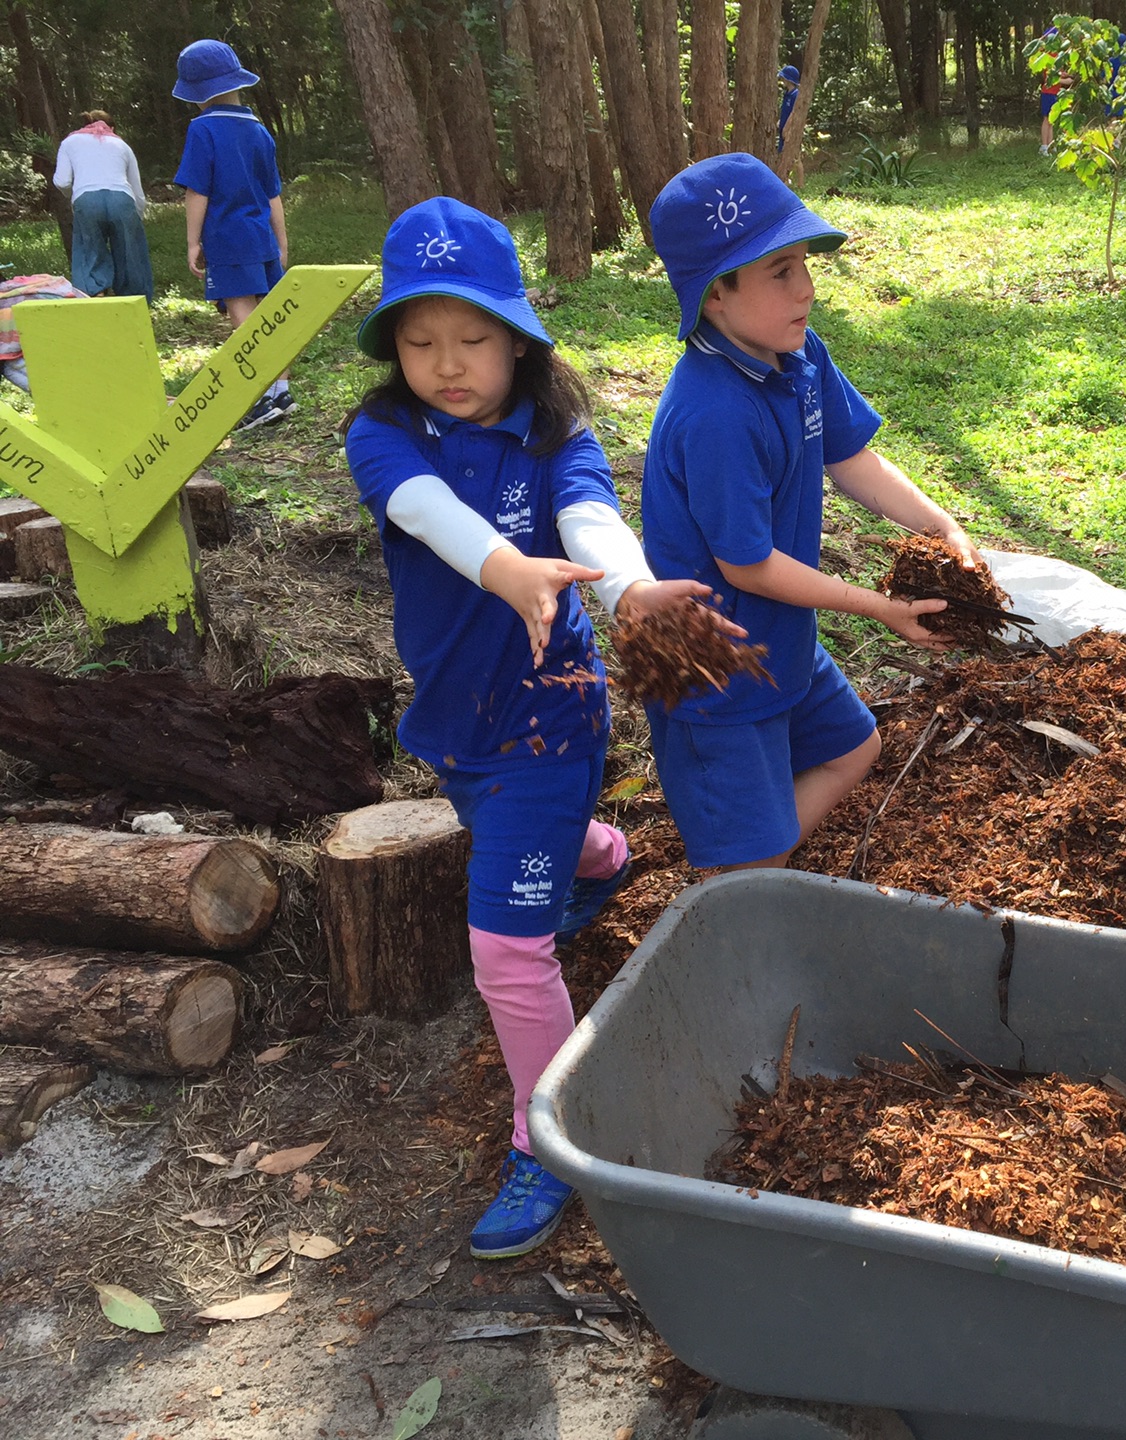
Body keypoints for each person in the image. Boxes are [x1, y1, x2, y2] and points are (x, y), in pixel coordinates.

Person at [345, 196, 727, 1259]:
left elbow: (593, 518)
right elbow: (426, 512)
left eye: (472, 338)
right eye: (420, 342)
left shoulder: (557, 436)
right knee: (539, 854)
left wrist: (634, 590)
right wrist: (506, 570)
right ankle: (597, 859)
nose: (448, 363)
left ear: (518, 338)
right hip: (455, 723)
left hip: (550, 723)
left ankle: (548, 1136)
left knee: (509, 949)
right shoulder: (382, 434)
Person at [640, 152, 979, 874]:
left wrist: (940, 526)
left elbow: (851, 458)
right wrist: (876, 606)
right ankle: (736, 888)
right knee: (747, 865)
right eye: (781, 272)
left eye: (804, 264)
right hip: (715, 667)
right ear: (714, 295)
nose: (809, 290)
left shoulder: (796, 356)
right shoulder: (713, 411)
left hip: (782, 641)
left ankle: (751, 867)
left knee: (856, 748)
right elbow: (748, 564)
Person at [172, 39, 293, 431]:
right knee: (271, 313)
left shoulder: (202, 130)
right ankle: (282, 389)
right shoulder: (259, 130)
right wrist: (282, 240)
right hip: (262, 236)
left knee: (243, 313)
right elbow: (272, 192)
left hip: (227, 237)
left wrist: (193, 241)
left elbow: (197, 190)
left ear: (196, 95)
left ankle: (259, 394)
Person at [53, 110, 153, 305]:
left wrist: (75, 195)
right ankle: (134, 301)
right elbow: (137, 191)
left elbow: (62, 181)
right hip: (122, 199)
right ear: (112, 128)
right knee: (129, 253)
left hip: (86, 200)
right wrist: (137, 218)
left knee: (89, 249)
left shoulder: (69, 143)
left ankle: (95, 296)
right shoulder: (122, 145)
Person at [0, 274, 87, 393]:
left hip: (64, 341)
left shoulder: (7, 302)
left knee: (10, 367)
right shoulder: (32, 284)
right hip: (92, 324)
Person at [1038, 27, 1063, 156]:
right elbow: (1052, 76)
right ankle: (1044, 146)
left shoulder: (1057, 55)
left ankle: (1050, 144)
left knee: (1051, 121)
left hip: (1055, 92)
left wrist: (1068, 75)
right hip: (1048, 92)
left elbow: (1060, 73)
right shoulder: (1048, 55)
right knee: (1047, 119)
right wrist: (1065, 81)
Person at [777, 64, 800, 154]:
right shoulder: (787, 93)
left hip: (789, 131)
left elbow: (794, 113)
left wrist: (787, 128)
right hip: (782, 129)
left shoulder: (796, 95)